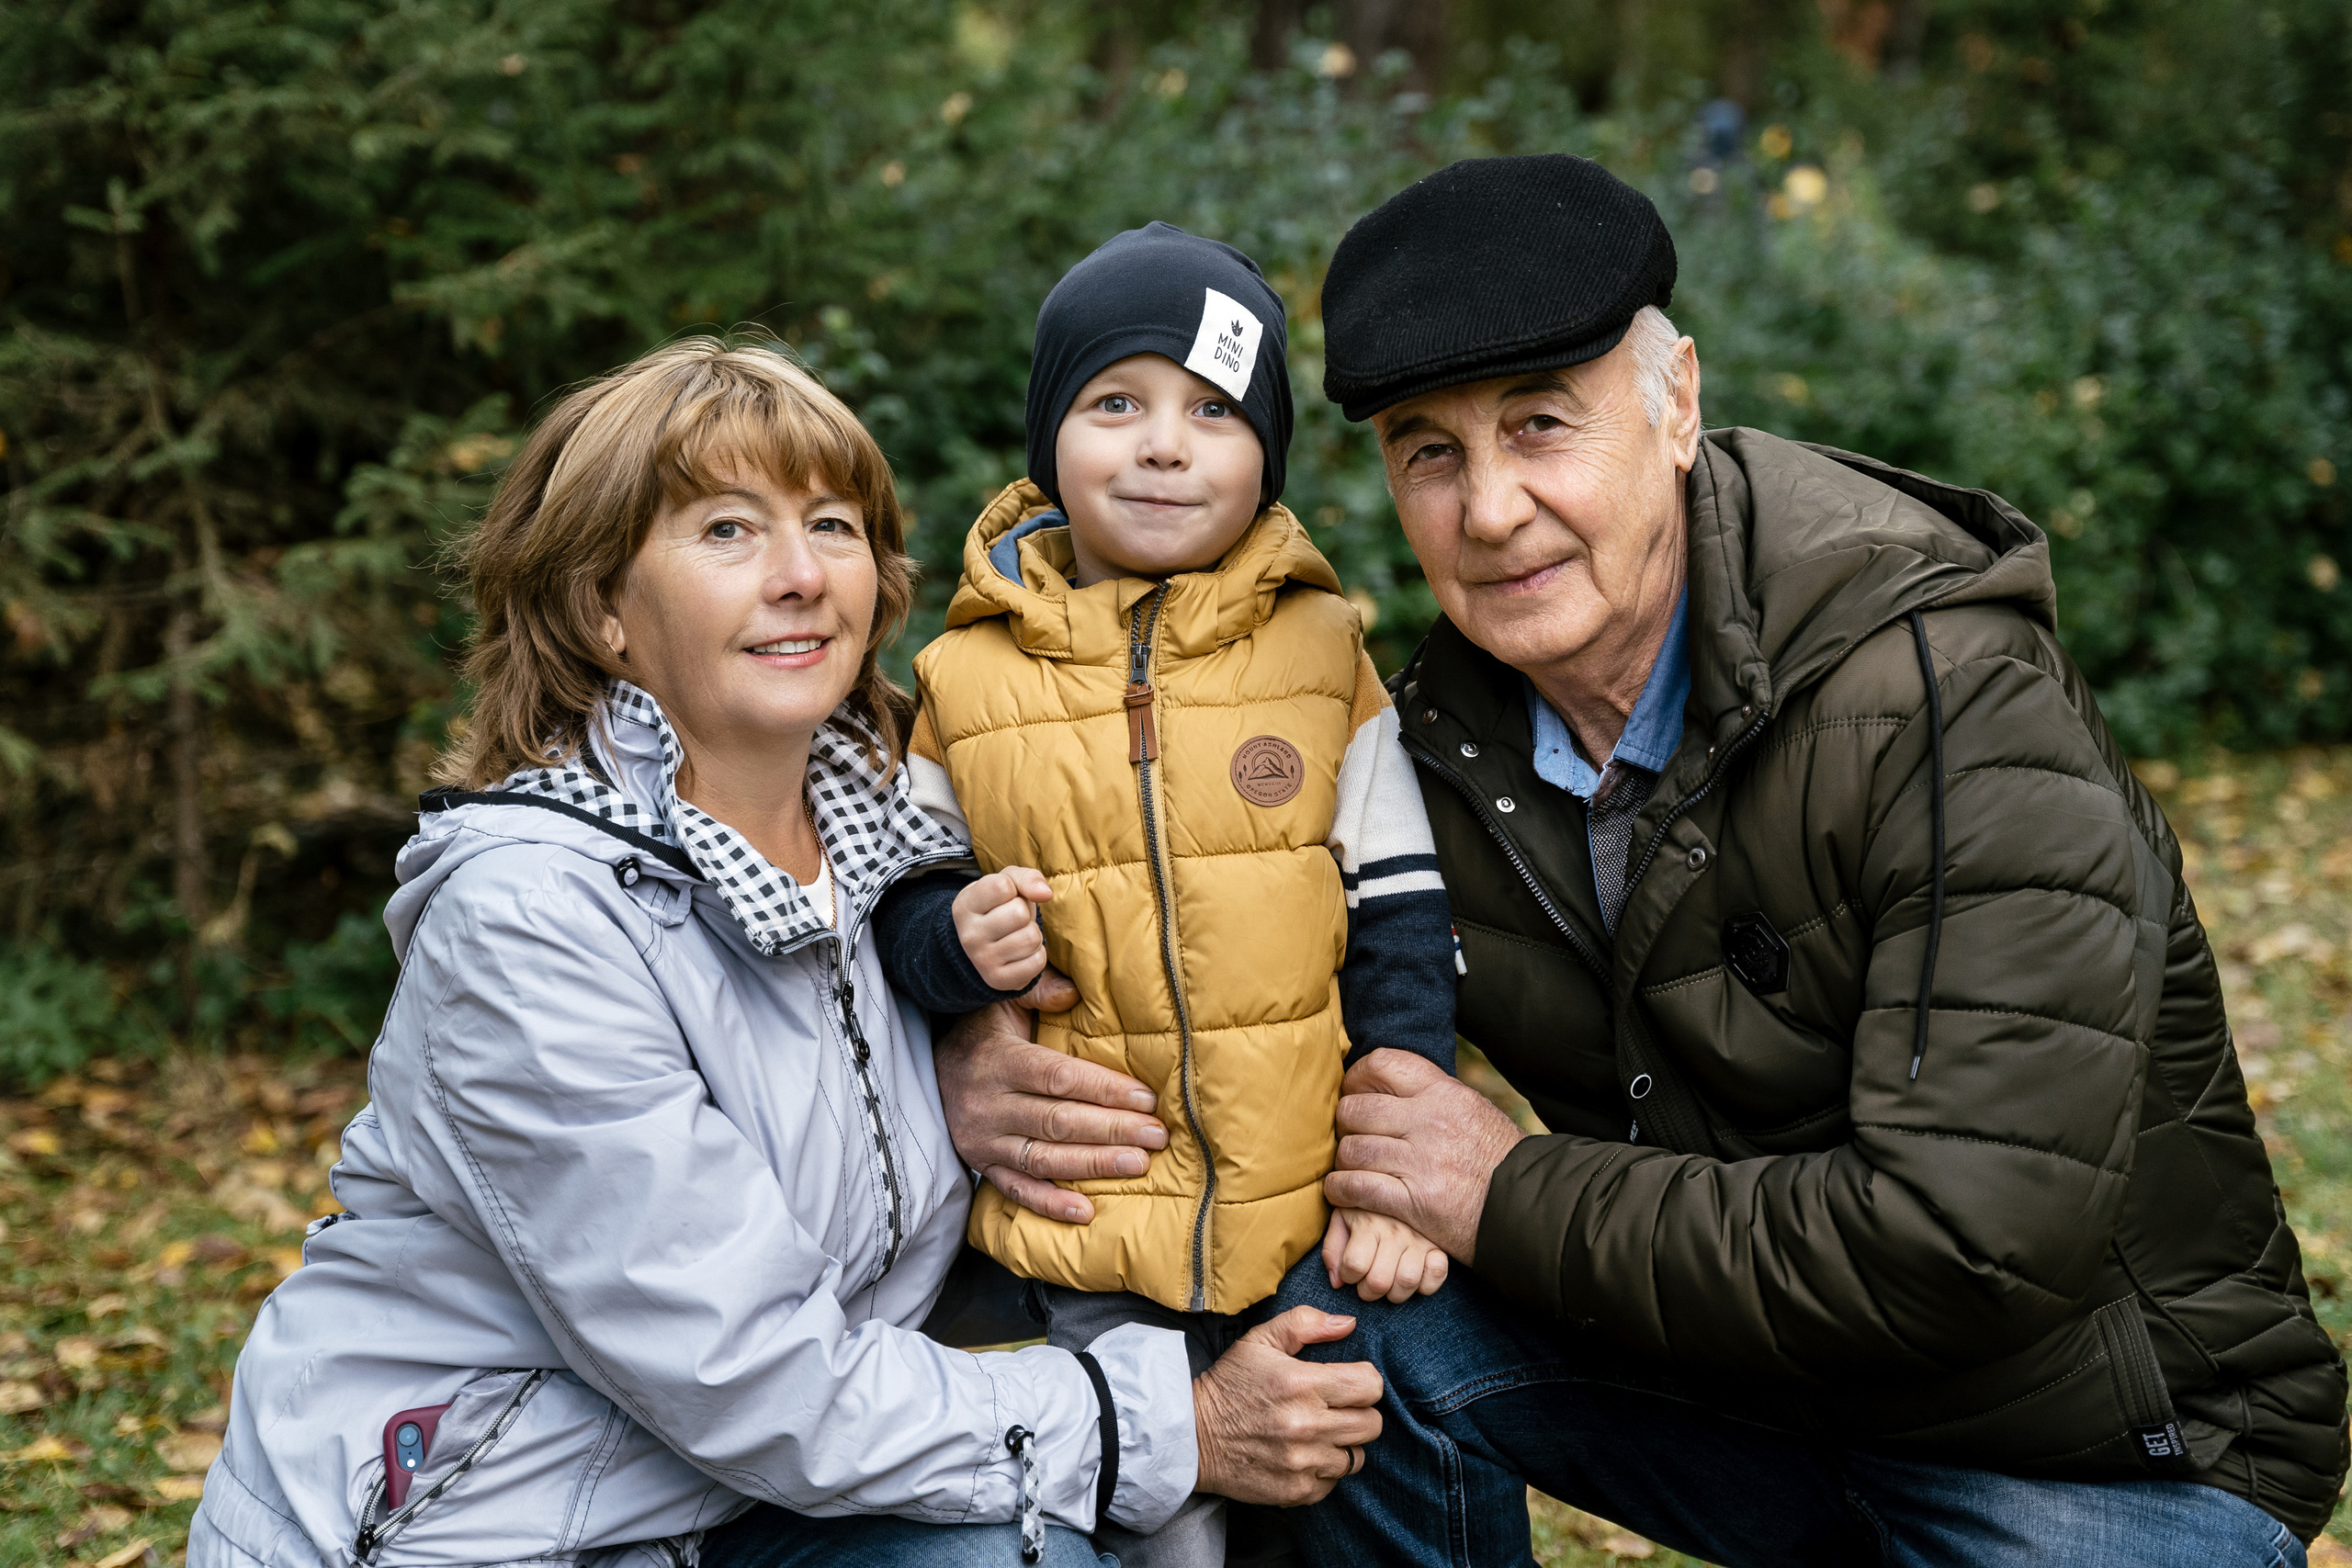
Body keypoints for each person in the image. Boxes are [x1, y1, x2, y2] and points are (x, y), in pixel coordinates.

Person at [936, 158, 2350, 1567]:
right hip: (1748, 1401)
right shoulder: (1437, 745)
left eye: (1542, 426)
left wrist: (1502, 1193)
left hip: (2098, 1453)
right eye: (1432, 451)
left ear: (1676, 406)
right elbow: (1200, 962)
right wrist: (970, 1053)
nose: (1489, 510)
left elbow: (1964, 1242)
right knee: (1347, 1332)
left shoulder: (1952, 700)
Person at [188, 337, 1383, 1568]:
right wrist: (1163, 1425)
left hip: (742, 1509)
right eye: (724, 532)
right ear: (604, 609)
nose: (803, 576)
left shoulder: (898, 844)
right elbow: (746, 1373)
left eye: (833, 524)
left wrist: (966, 1040)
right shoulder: (534, 919)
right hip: (476, 1527)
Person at [872, 222, 1461, 1567]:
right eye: (1114, 403)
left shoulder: (1326, 657)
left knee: (1324, 1496)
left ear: (1268, 455)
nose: (1162, 444)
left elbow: (1404, 929)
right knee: (1167, 1523)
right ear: (1050, 437)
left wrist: (1393, 1184)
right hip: (1081, 1223)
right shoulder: (965, 681)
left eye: (1212, 413)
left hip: (1299, 1211)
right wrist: (956, 947)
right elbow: (904, 906)